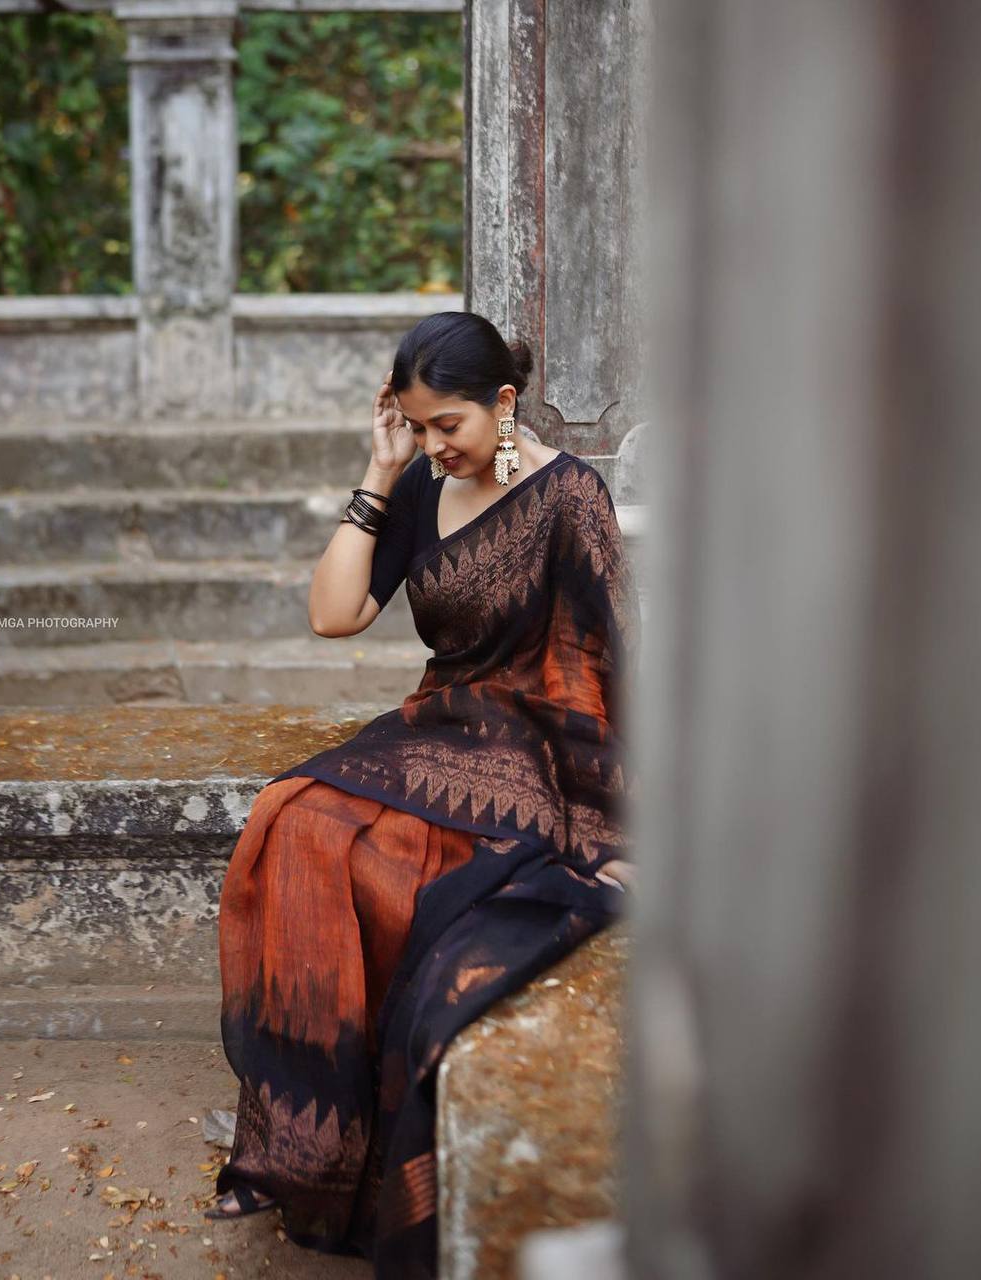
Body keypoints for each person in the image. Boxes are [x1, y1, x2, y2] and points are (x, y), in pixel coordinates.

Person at [206, 310, 641, 1278]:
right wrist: (377, 471)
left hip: (530, 754)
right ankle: (310, 1146)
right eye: (417, 424)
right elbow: (334, 614)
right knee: (295, 819)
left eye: (448, 424)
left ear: (503, 401)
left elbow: (610, 659)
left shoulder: (570, 497)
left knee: (406, 874)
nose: (436, 444)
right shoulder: (417, 485)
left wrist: (614, 814)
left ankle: (364, 1145)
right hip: (436, 727)